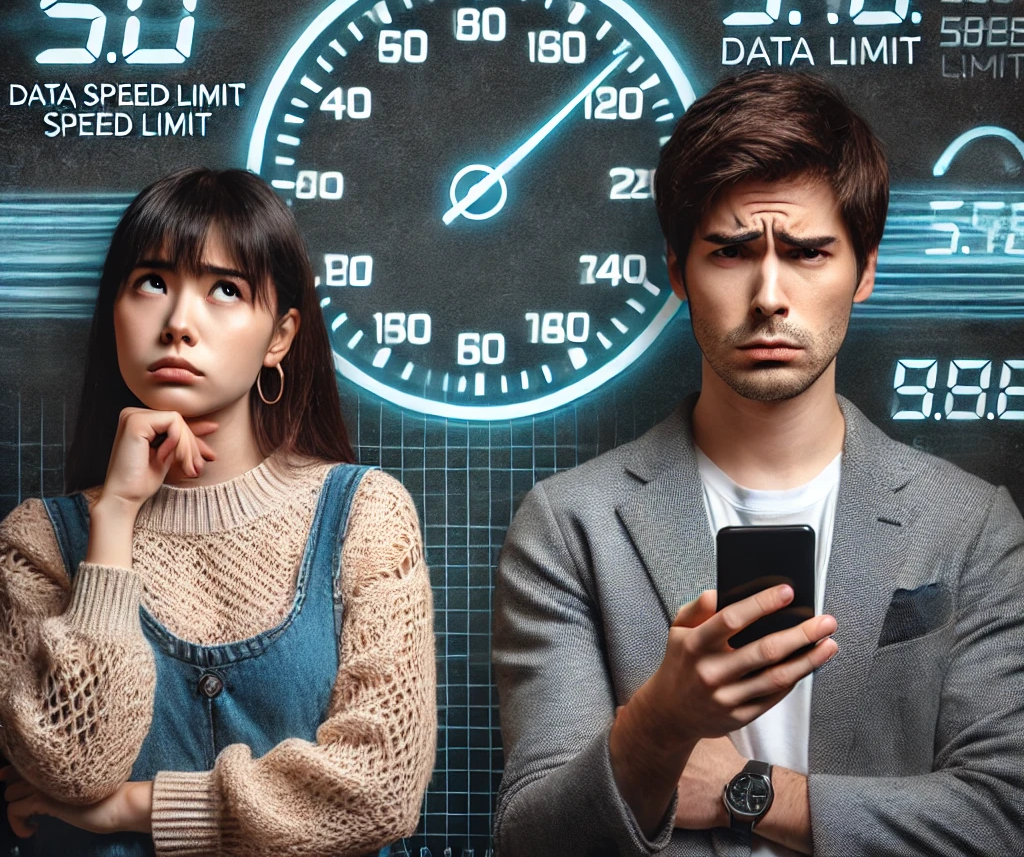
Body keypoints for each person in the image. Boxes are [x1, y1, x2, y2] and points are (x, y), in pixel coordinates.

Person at [492, 71, 1024, 856]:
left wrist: (754, 794)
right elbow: (533, 841)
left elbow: (1005, 815)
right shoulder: (571, 526)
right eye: (733, 252)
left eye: (808, 253)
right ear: (678, 274)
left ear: (865, 271)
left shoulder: (971, 525)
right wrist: (661, 722)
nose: (770, 294)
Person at [0, 167, 436, 857]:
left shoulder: (366, 516)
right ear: (114, 307)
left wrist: (142, 808)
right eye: (152, 283)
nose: (178, 324)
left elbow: (380, 789)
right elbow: (74, 765)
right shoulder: (39, 541)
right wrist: (114, 517)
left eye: (225, 290)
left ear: (280, 337)